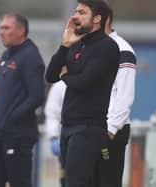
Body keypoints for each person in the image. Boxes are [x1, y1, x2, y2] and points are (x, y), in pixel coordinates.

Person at [45, 0, 119, 186]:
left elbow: (85, 82)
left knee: (77, 183)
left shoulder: (107, 47)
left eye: (81, 12)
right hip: (68, 126)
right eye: (75, 12)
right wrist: (64, 45)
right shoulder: (77, 45)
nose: (74, 17)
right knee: (69, 182)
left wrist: (67, 75)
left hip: (88, 128)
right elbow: (51, 75)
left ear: (97, 19)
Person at [0, 13, 45, 187]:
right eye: (1, 28)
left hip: (17, 136)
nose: (1, 32)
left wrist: (11, 119)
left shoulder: (30, 57)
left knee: (19, 182)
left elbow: (36, 97)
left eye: (6, 28)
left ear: (21, 31)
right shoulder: (6, 56)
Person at [96, 6, 136, 187]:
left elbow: (124, 96)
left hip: (109, 131)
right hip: (89, 129)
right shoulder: (86, 47)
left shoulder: (122, 50)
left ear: (101, 19)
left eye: (82, 13)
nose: (76, 18)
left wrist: (110, 130)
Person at [44, 81, 66, 187]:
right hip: (65, 138)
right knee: (65, 178)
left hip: (88, 137)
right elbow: (52, 113)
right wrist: (53, 137)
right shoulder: (59, 86)